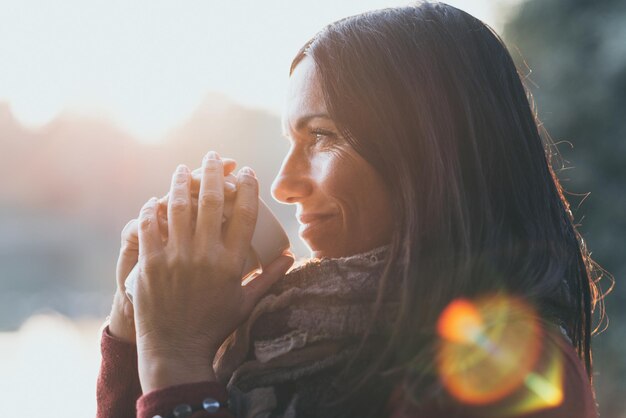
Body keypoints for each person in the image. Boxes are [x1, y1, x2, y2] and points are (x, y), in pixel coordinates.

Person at [96, 2, 606, 417]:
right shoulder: (289, 339)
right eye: (290, 141)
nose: (282, 185)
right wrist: (134, 328)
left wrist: (178, 362)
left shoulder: (517, 366)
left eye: (319, 136)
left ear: (428, 149)